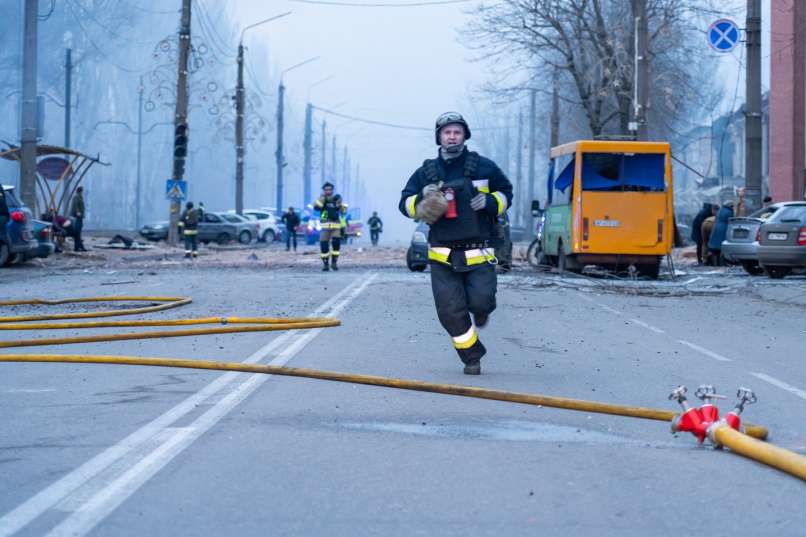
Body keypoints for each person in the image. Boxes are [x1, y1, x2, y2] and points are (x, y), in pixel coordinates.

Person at [399, 111, 513, 375]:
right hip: (443, 258)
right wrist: (420, 198)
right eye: (447, 132)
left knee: (482, 302)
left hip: (480, 252)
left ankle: (482, 311)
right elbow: (403, 204)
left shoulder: (484, 167)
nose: (452, 136)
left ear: (464, 135)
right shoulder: (426, 172)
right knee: (450, 313)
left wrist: (491, 202)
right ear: (439, 137)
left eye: (457, 132)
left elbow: (506, 192)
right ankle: (471, 356)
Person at [313, 182, 347, 271]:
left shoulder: (337, 199)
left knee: (336, 245)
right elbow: (316, 207)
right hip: (325, 226)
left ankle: (334, 263)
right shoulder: (321, 199)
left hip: (336, 225)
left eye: (330, 189)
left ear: (332, 190)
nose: (328, 191)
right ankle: (325, 264)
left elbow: (343, 212)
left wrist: (339, 204)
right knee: (324, 246)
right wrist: (323, 199)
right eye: (326, 189)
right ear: (324, 190)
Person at [708, 200, 734, 265]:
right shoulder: (729, 211)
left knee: (715, 246)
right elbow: (731, 220)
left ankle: (715, 263)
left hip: (716, 227)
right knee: (723, 246)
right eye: (732, 206)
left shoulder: (720, 210)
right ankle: (723, 262)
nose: (733, 207)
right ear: (730, 205)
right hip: (724, 228)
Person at [69, 186, 87, 252]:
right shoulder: (77, 197)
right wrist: (77, 212)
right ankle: (79, 247)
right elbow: (75, 205)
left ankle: (78, 247)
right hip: (78, 217)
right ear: (80, 191)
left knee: (78, 233)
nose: (83, 192)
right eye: (82, 191)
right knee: (77, 232)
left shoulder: (79, 197)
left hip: (80, 217)